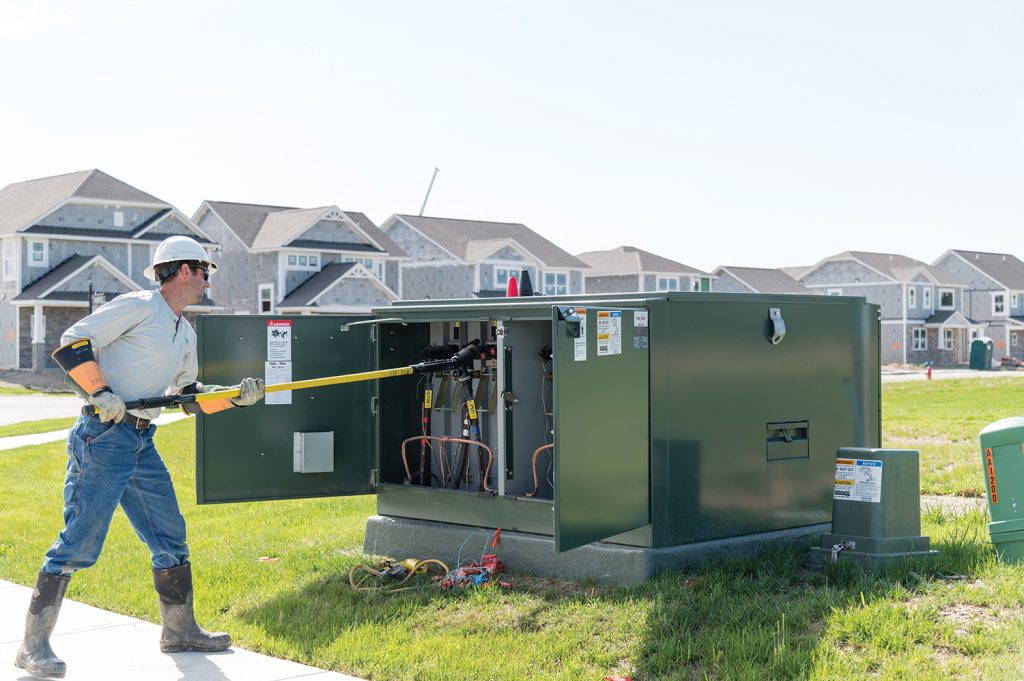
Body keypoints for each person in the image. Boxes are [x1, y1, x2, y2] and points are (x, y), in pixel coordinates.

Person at [15, 235, 266, 679]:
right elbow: (72, 340)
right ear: (184, 270)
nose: (208, 281)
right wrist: (99, 391)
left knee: (169, 535)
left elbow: (186, 399)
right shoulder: (137, 306)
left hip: (140, 441)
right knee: (79, 542)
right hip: (103, 436)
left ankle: (180, 630)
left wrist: (232, 398)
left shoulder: (184, 333)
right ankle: (32, 647)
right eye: (205, 271)